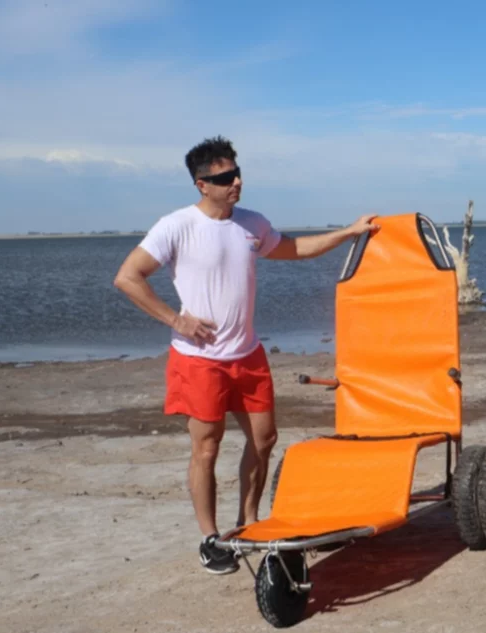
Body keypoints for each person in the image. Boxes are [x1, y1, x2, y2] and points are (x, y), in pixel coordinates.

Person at [113, 136, 377, 575]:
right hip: (199, 360)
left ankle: (248, 523)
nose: (236, 182)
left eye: (237, 173)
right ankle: (210, 538)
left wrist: (349, 232)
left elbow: (292, 249)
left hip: (248, 354)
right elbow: (128, 277)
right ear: (202, 184)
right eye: (224, 177)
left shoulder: (252, 223)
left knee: (265, 440)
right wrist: (177, 321)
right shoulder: (175, 226)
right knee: (207, 448)